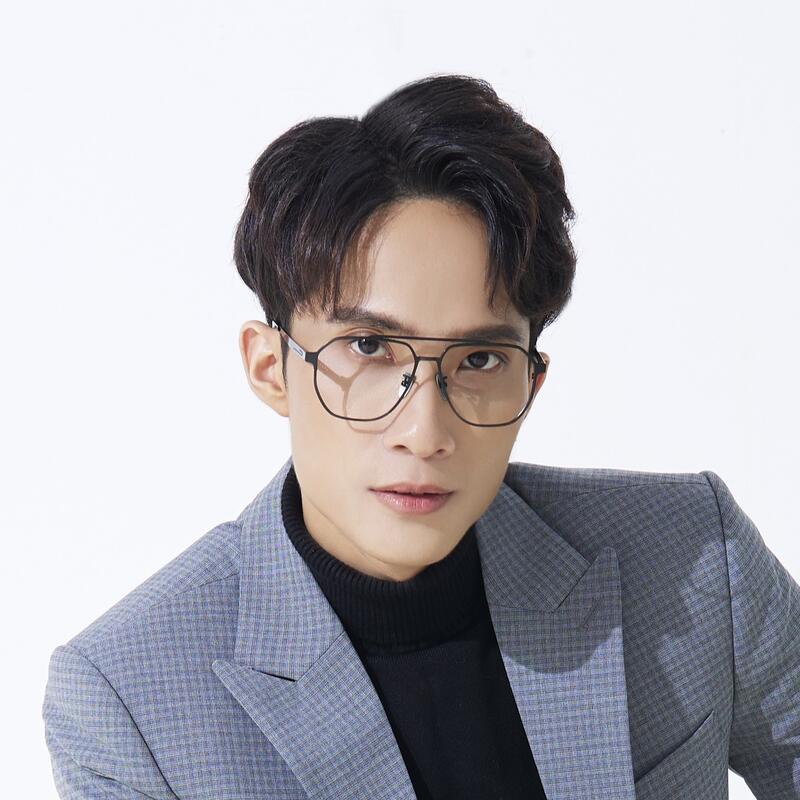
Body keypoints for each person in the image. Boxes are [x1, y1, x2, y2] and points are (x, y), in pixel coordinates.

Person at [42, 74, 799, 800]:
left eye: (479, 360)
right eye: (370, 348)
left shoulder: (694, 558)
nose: (425, 431)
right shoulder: (130, 701)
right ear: (271, 368)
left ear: (531, 384)